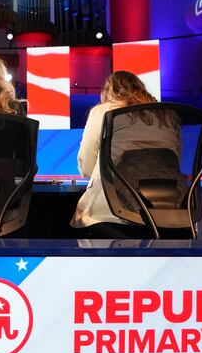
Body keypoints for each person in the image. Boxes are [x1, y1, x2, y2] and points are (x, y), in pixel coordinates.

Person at [70, 71, 181, 238]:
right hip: (167, 208)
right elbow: (173, 161)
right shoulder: (167, 116)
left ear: (108, 90)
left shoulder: (104, 111)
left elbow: (86, 166)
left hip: (112, 211)